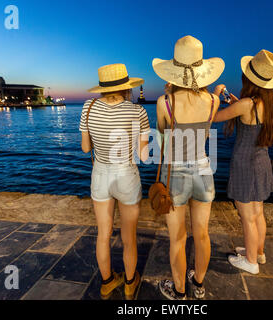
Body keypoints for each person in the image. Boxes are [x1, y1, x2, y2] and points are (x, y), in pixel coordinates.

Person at [152, 35, 224, 300]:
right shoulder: (213, 102)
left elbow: (161, 139)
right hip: (204, 171)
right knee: (202, 234)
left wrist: (170, 94)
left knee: (178, 238)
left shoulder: (165, 102)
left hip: (177, 174)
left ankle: (179, 291)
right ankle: (200, 283)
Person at [79, 63, 150, 299]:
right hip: (126, 175)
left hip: (100, 174)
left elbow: (85, 147)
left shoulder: (88, 108)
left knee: (103, 233)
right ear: (127, 87)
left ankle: (108, 282)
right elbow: (143, 155)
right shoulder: (137, 111)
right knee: (129, 236)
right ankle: (130, 283)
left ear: (101, 87)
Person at [213, 49, 273, 274]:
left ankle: (250, 262)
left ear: (248, 79)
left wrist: (216, 95)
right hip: (262, 163)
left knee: (247, 217)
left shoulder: (246, 105)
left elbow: (215, 117)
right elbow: (249, 111)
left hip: (244, 165)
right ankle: (258, 253)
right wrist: (236, 102)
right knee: (258, 212)